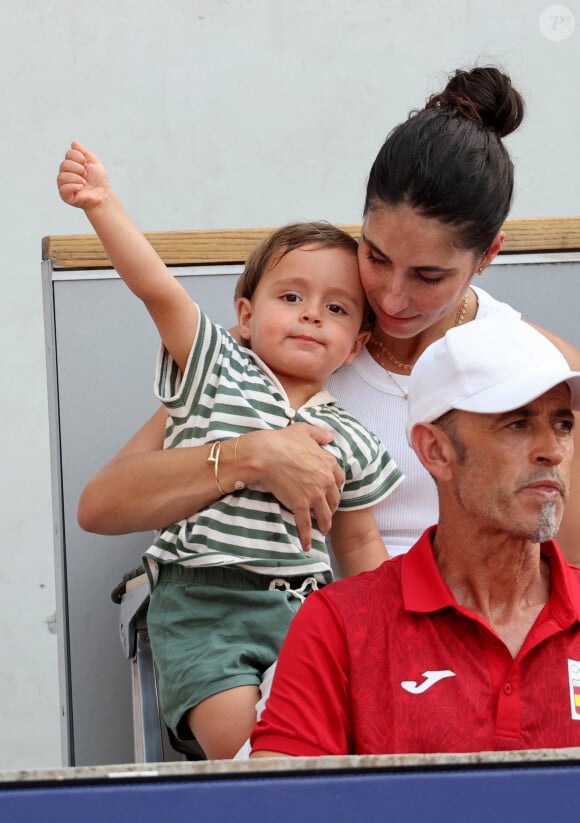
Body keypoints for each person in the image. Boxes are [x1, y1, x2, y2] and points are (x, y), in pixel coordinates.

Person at [76, 65, 580, 567]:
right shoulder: (297, 342)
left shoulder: (543, 367)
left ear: (488, 255)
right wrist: (249, 456)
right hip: (319, 628)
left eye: (429, 277)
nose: (392, 300)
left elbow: (569, 566)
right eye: (376, 257)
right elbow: (103, 505)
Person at [57, 143, 403, 759]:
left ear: (355, 345)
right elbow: (159, 292)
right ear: (245, 314)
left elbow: (357, 543)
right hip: (205, 601)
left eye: (337, 308)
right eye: (290, 298)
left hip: (307, 608)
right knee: (240, 740)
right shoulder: (218, 370)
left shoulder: (355, 435)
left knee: (315, 737)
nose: (310, 317)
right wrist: (103, 205)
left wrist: (397, 634)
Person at [250, 317, 580, 757]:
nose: (553, 451)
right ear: (436, 451)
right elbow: (277, 805)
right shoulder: (339, 624)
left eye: (562, 425)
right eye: (517, 424)